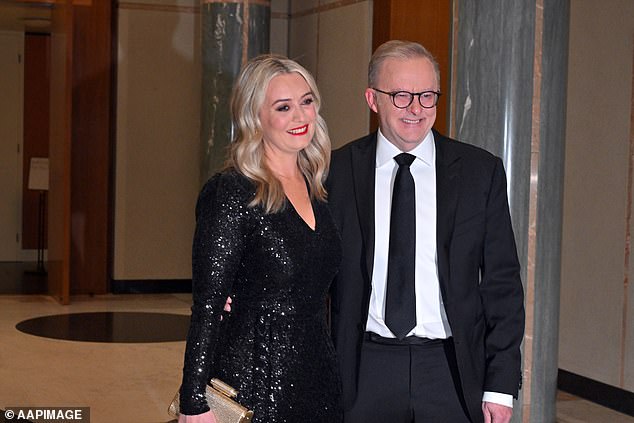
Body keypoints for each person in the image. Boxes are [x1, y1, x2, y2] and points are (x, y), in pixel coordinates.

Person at [326, 40, 525, 423]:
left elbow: (502, 283)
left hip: (451, 373)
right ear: (372, 99)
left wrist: (500, 384)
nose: (416, 109)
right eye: (401, 95)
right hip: (361, 372)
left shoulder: (479, 172)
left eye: (427, 95)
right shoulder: (334, 173)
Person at [178, 54, 343, 423]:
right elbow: (207, 305)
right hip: (251, 383)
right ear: (256, 117)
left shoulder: (319, 189)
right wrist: (194, 400)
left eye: (307, 101)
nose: (300, 117)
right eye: (283, 107)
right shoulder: (233, 191)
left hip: (317, 379)